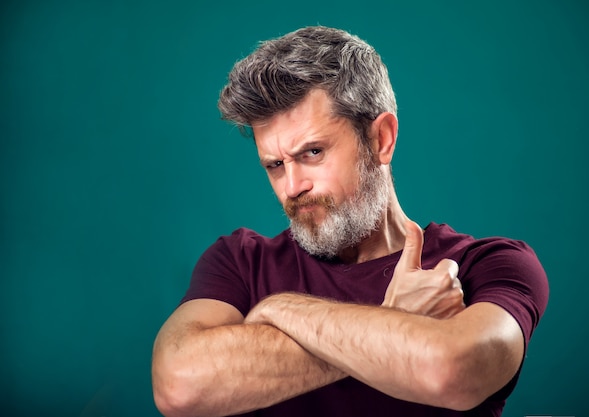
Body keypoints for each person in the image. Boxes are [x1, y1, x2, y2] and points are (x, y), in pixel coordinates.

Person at [151, 26, 549, 417]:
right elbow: (178, 384)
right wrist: (397, 324)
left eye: (312, 153)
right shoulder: (239, 263)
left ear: (381, 140)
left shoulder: (488, 265)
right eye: (274, 165)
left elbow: (453, 372)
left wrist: (281, 309)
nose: (292, 186)